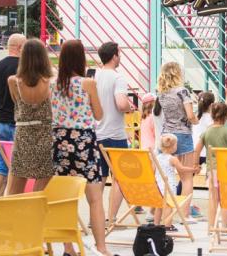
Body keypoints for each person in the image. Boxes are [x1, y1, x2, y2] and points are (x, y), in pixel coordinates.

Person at [51, 39, 113, 256]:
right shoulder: (88, 83)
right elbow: (99, 114)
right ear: (80, 59)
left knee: (66, 199)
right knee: (94, 198)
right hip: (83, 142)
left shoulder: (52, 84)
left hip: (59, 141)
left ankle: (68, 248)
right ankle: (101, 247)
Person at [7, 39, 54, 194]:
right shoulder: (51, 81)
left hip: (23, 134)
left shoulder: (13, 81)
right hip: (45, 134)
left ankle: (13, 210)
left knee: (15, 184)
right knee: (42, 185)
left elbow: (16, 102)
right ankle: (35, 208)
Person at [95, 41, 133, 223]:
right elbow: (121, 103)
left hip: (97, 133)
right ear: (114, 56)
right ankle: (111, 218)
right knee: (119, 177)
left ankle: (95, 216)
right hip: (115, 135)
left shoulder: (95, 76)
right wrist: (130, 107)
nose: (121, 57)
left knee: (100, 176)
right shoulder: (118, 78)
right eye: (120, 54)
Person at [0, 33, 26, 197]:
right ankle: (14, 203)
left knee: (1, 167)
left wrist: (1, 105)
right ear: (20, 47)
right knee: (19, 169)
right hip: (20, 124)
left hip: (1, 124)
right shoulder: (25, 69)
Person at [157, 62, 198, 216]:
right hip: (183, 134)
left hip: (166, 135)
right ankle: (184, 214)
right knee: (186, 178)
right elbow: (190, 115)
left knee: (164, 176)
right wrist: (196, 121)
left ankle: (162, 212)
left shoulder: (161, 93)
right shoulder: (183, 91)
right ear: (177, 73)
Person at [194, 102, 227, 232]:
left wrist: (196, 164)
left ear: (212, 115)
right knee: (225, 199)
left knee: (213, 199)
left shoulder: (206, 132)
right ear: (226, 116)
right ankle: (224, 226)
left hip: (211, 171)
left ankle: (211, 227)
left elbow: (197, 150)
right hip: (226, 170)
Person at [153, 133, 198, 231]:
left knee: (159, 206)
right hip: (168, 186)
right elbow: (181, 169)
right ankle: (167, 226)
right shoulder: (173, 159)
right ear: (173, 147)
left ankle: (156, 225)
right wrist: (193, 170)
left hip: (158, 185)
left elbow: (153, 170)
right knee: (169, 205)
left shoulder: (157, 157)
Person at [192, 91, 215, 168]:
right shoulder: (211, 118)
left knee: (193, 173)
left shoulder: (195, 117)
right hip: (206, 152)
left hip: (194, 151)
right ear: (211, 105)